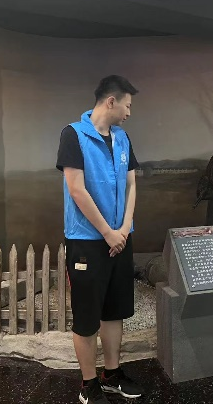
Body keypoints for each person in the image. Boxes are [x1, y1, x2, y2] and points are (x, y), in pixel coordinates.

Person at [56, 75, 143, 403]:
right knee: (87, 315)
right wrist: (108, 233)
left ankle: (111, 374)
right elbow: (76, 189)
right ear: (111, 101)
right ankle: (88, 383)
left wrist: (124, 228)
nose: (129, 113)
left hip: (121, 238)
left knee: (114, 310)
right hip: (88, 241)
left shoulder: (122, 138)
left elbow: (132, 184)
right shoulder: (73, 134)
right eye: (127, 105)